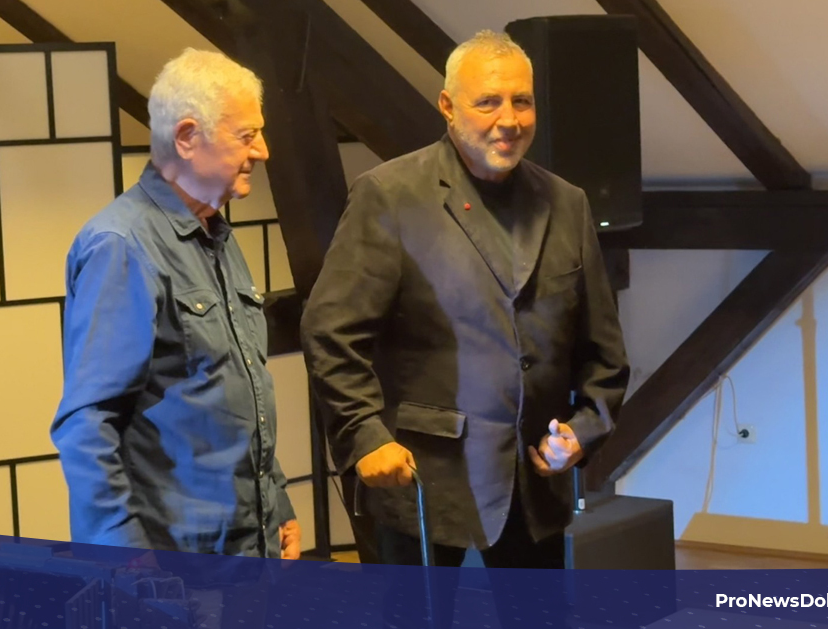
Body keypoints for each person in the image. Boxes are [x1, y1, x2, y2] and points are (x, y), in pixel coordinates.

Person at [301, 29, 628, 574]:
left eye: (522, 101)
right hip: (422, 478)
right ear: (448, 106)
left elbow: (605, 352)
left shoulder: (567, 203)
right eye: (488, 102)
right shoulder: (390, 195)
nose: (510, 119)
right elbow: (330, 332)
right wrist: (364, 436)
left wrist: (584, 431)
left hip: (535, 481)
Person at [52, 48, 301, 559]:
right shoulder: (122, 246)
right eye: (247, 136)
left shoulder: (215, 233)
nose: (263, 151)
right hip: (173, 564)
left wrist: (277, 504)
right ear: (187, 137)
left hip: (248, 549)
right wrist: (126, 560)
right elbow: (87, 425)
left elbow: (234, 389)